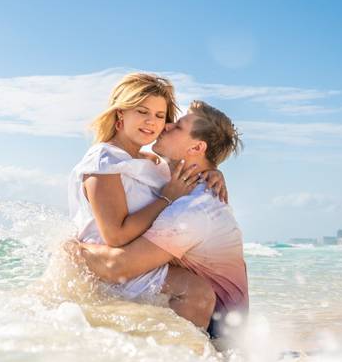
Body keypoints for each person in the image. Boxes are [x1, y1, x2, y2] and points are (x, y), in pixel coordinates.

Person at [72, 100, 248, 338]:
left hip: (217, 337)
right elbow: (133, 160)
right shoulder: (190, 183)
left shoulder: (192, 209)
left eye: (177, 127)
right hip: (223, 331)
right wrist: (215, 169)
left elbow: (118, 267)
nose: (165, 126)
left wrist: (70, 248)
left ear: (196, 148)